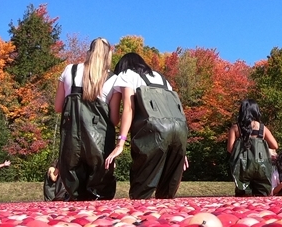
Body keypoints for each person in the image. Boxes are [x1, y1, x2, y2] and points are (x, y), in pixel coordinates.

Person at [103, 52, 188, 199]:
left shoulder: (127, 74)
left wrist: (120, 143)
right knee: (167, 193)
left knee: (141, 192)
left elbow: (129, 109)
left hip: (152, 132)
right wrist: (181, 149)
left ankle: (140, 220)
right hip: (178, 130)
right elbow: (174, 110)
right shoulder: (161, 78)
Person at [53, 37, 116, 201]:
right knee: (100, 199)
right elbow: (114, 119)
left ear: (89, 52)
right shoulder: (112, 79)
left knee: (75, 195)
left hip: (71, 141)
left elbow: (58, 107)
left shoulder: (70, 70)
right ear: (109, 55)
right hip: (99, 144)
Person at [227, 100, 278, 196]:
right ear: (256, 111)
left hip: (242, 166)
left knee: (243, 192)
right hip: (261, 165)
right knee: (262, 193)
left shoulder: (235, 128)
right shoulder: (262, 128)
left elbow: (230, 149)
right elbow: (275, 145)